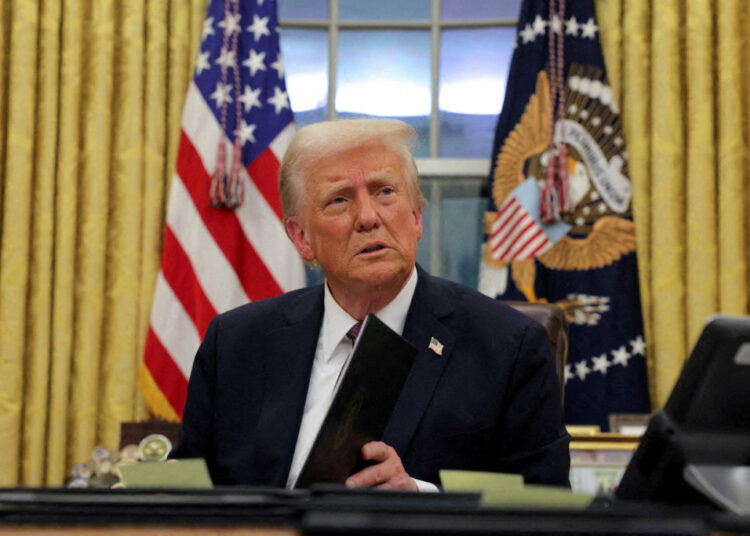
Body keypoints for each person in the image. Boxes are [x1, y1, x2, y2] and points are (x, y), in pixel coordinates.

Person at [171, 119, 570, 490]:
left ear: (416, 217)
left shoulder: (508, 346)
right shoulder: (237, 343)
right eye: (339, 200)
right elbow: (188, 488)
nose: (367, 217)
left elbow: (539, 501)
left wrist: (421, 498)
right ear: (301, 237)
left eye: (384, 191)